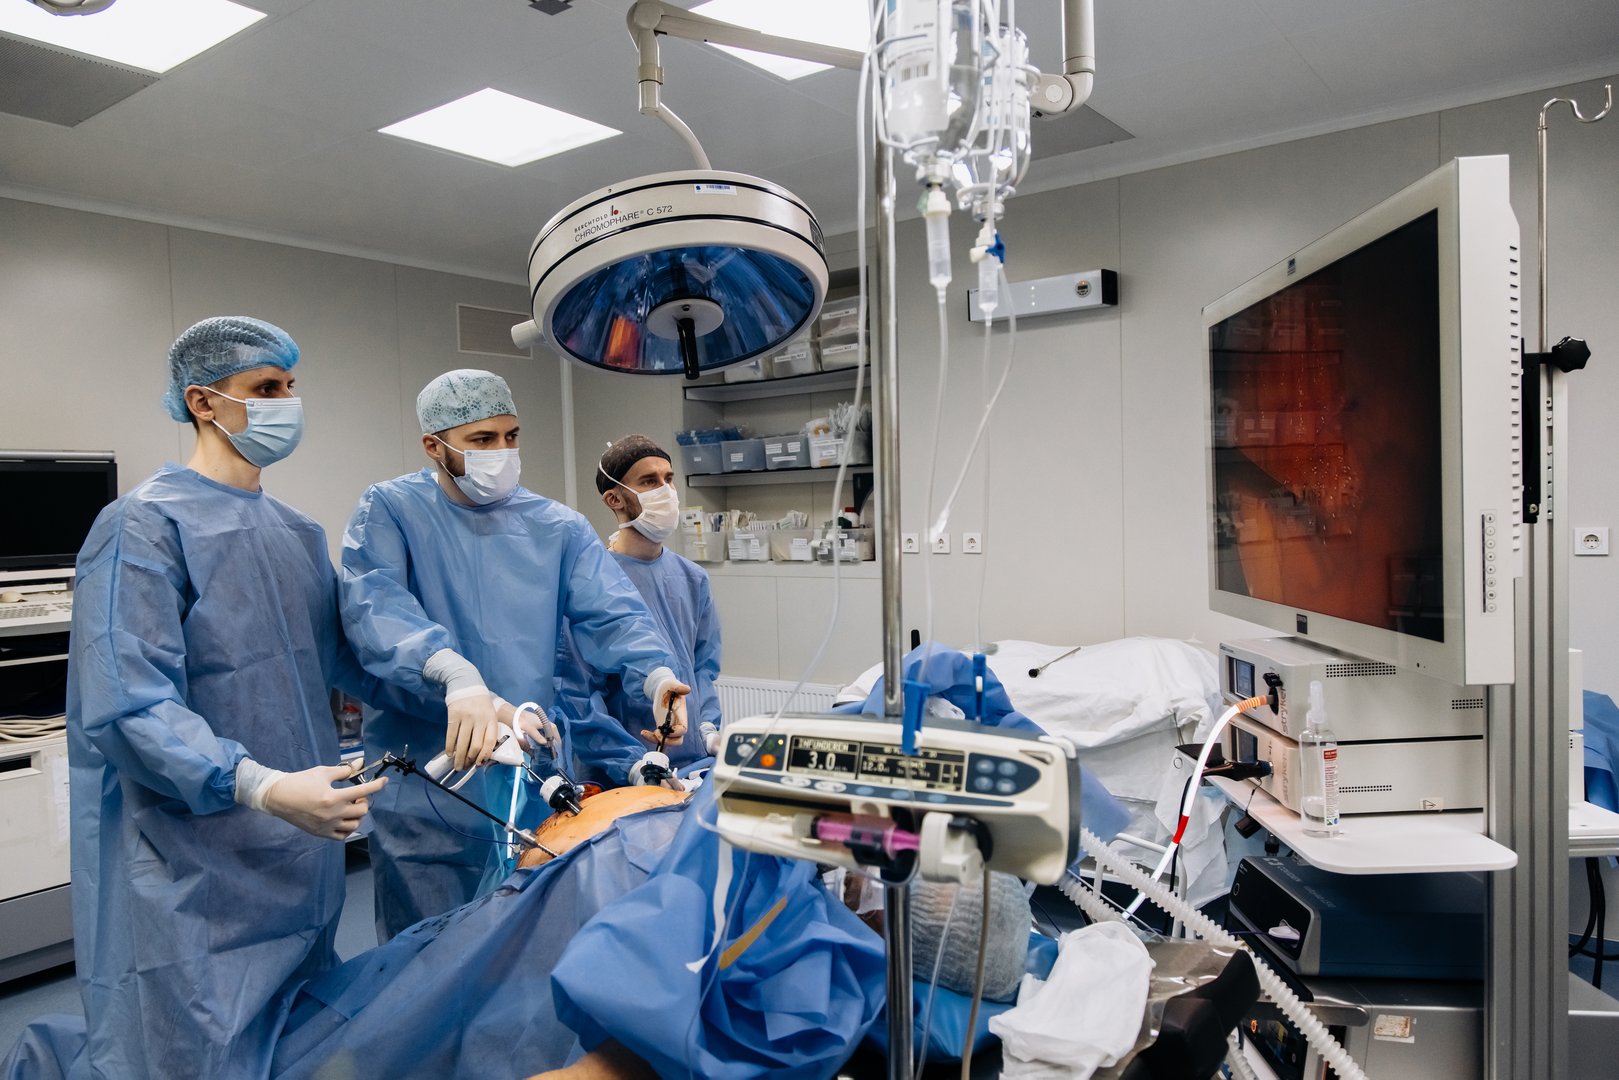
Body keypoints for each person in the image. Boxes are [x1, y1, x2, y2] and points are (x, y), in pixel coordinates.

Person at [55, 317, 399, 1079]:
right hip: (191, 856)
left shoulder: (295, 532)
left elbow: (347, 658)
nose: (287, 403)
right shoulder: (141, 526)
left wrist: (463, 687)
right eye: (266, 389)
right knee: (191, 1045)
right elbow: (128, 703)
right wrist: (261, 785)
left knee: (293, 1040)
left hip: (293, 853)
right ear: (204, 402)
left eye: (291, 387)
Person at [340, 369, 691, 941]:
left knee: (522, 944)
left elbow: (615, 614)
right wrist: (455, 674)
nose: (502, 452)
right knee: (425, 956)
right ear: (435, 446)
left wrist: (656, 678)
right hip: (428, 779)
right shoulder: (392, 511)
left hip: (527, 774)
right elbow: (375, 610)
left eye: (511, 436)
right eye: (482, 440)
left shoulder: (556, 527)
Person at [559, 435, 723, 785]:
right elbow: (580, 696)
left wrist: (708, 729)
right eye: (649, 481)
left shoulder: (692, 579)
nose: (665, 490)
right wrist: (634, 765)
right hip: (620, 775)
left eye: (668, 478)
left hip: (692, 762)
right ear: (614, 498)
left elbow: (702, 669)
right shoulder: (589, 582)